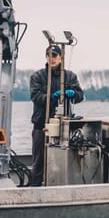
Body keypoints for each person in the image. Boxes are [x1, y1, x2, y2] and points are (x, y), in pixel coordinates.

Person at [28, 43, 84, 187]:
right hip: (41, 124)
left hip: (64, 126)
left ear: (61, 57)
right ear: (46, 57)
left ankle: (61, 188)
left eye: (55, 55)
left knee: (64, 159)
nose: (52, 59)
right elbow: (35, 96)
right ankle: (35, 189)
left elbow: (80, 96)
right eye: (49, 55)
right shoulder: (37, 76)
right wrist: (51, 96)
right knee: (38, 161)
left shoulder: (70, 76)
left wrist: (73, 94)